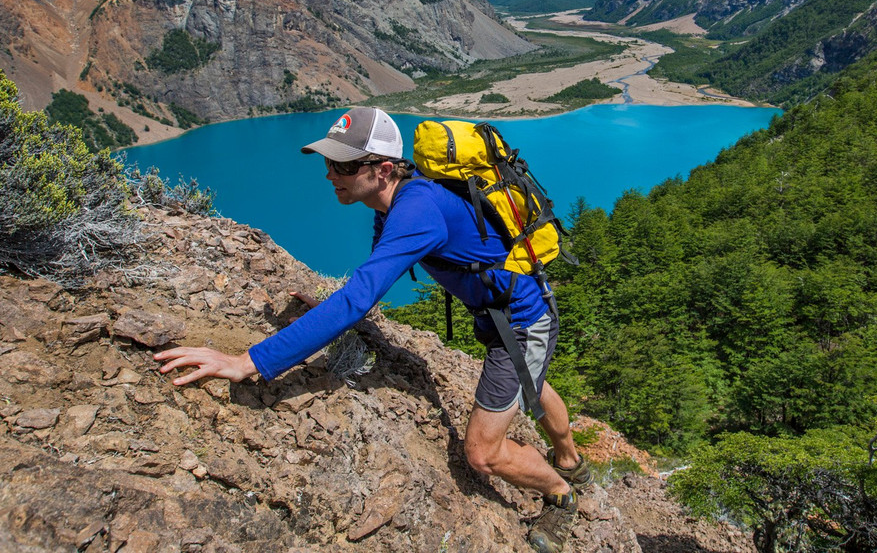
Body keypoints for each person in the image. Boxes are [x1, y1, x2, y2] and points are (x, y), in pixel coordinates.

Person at [155, 106, 590, 553]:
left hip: (521, 320)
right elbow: (371, 282)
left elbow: (359, 297)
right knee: (530, 382)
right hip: (499, 311)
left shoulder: (417, 210)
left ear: (383, 169)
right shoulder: (394, 203)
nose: (330, 175)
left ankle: (561, 493)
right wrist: (333, 308)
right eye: (328, 163)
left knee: (482, 453)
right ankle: (571, 458)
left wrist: (248, 361)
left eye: (343, 165)